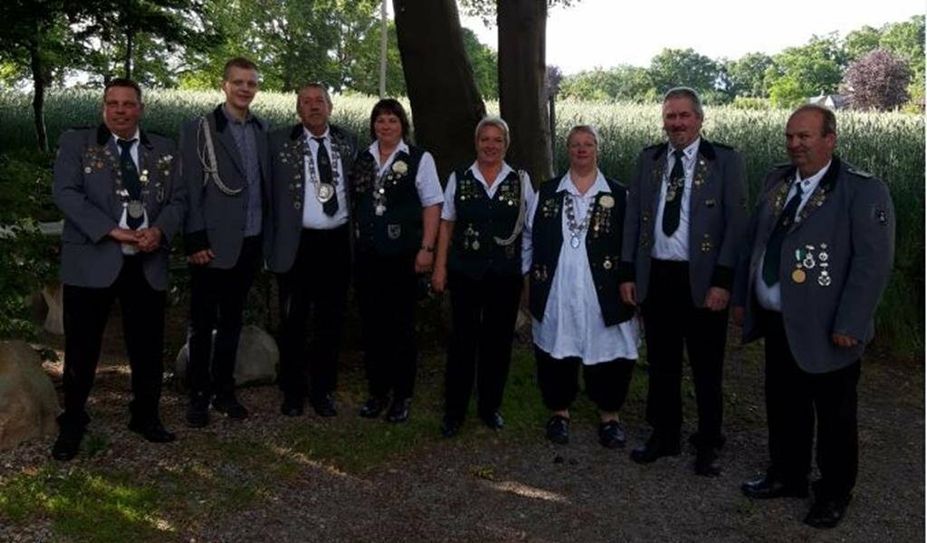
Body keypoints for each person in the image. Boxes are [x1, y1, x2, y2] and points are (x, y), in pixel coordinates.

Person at [734, 104, 894, 528]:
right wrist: (743, 299)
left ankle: (834, 492)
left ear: (830, 139)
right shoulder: (778, 181)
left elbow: (872, 264)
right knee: (784, 405)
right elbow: (755, 243)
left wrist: (851, 323)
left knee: (835, 415)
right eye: (790, 136)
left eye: (804, 136)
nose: (795, 145)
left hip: (830, 329)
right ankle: (788, 475)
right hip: (778, 321)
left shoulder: (861, 190)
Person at [50, 78, 184, 460]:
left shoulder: (164, 148)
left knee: (147, 345)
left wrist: (159, 230)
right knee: (81, 347)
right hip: (94, 259)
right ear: (103, 107)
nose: (120, 110)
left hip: (147, 260)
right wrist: (115, 232)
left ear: (141, 108)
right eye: (113, 103)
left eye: (128, 104)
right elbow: (66, 194)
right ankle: (73, 420)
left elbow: (179, 199)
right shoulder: (78, 143)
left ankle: (145, 416)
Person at [619, 87, 746, 475]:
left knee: (707, 366)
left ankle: (708, 441)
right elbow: (634, 217)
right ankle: (665, 434)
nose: (676, 123)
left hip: (704, 279)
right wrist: (628, 271)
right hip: (658, 275)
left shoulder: (724, 160)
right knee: (662, 363)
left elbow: (736, 225)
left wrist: (723, 281)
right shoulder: (650, 159)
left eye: (684, 116)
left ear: (699, 118)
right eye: (670, 116)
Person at [524, 125, 638, 448]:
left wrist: (631, 280)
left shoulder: (618, 194)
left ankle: (610, 417)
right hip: (558, 287)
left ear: (597, 149)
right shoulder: (548, 192)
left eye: (588, 144)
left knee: (609, 349)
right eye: (575, 144)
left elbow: (631, 245)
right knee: (556, 346)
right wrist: (526, 278)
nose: (582, 149)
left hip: (603, 288)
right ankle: (559, 413)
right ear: (568, 150)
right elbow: (530, 238)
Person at [179, 57, 271, 427]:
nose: (245, 89)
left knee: (232, 320)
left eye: (251, 83)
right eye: (238, 82)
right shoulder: (200, 128)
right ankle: (198, 394)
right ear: (224, 85)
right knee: (202, 324)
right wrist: (194, 238)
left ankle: (223, 390)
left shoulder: (261, 130)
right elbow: (188, 189)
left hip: (249, 241)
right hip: (211, 244)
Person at [431, 117, 535, 437]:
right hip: (465, 273)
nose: (491, 146)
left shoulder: (520, 180)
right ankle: (455, 411)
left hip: (505, 276)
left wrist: (525, 272)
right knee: (463, 342)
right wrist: (440, 267)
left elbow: (530, 230)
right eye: (485, 140)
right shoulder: (459, 178)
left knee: (497, 343)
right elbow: (447, 224)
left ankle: (490, 407)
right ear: (476, 143)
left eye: (497, 140)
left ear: (506, 144)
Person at [267, 83, 357, 418]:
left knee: (330, 321)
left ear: (330, 106)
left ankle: (323, 391)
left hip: (336, 242)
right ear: (297, 109)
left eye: (319, 101)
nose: (313, 106)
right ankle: (292, 391)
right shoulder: (278, 141)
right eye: (306, 102)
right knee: (293, 321)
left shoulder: (347, 141)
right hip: (297, 244)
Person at [350, 98, 443, 423]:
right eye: (380, 120)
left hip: (404, 256)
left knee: (401, 327)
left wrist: (427, 249)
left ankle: (402, 396)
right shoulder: (363, 158)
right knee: (373, 326)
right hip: (368, 256)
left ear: (402, 125)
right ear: (373, 125)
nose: (385, 126)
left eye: (392, 120)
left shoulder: (419, 159)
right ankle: (377, 393)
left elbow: (432, 204)